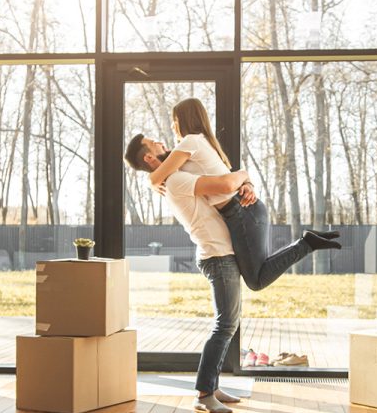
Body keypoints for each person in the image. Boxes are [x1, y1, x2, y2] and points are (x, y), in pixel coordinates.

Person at [124, 127, 340, 413]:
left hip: (221, 252)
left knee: (230, 321)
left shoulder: (175, 176)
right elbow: (224, 185)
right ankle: (203, 394)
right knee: (225, 324)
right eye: (154, 143)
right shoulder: (176, 180)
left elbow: (221, 190)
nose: (162, 141)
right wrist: (242, 176)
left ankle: (211, 386)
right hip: (217, 255)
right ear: (150, 157)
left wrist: (246, 186)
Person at [144, 97, 341, 291]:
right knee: (257, 275)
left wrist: (152, 182)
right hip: (242, 212)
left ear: (185, 121)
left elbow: (156, 178)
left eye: (175, 120)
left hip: (243, 212)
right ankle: (308, 242)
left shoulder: (190, 141)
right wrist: (248, 182)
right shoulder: (200, 143)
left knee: (256, 281)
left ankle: (307, 244)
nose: (172, 126)